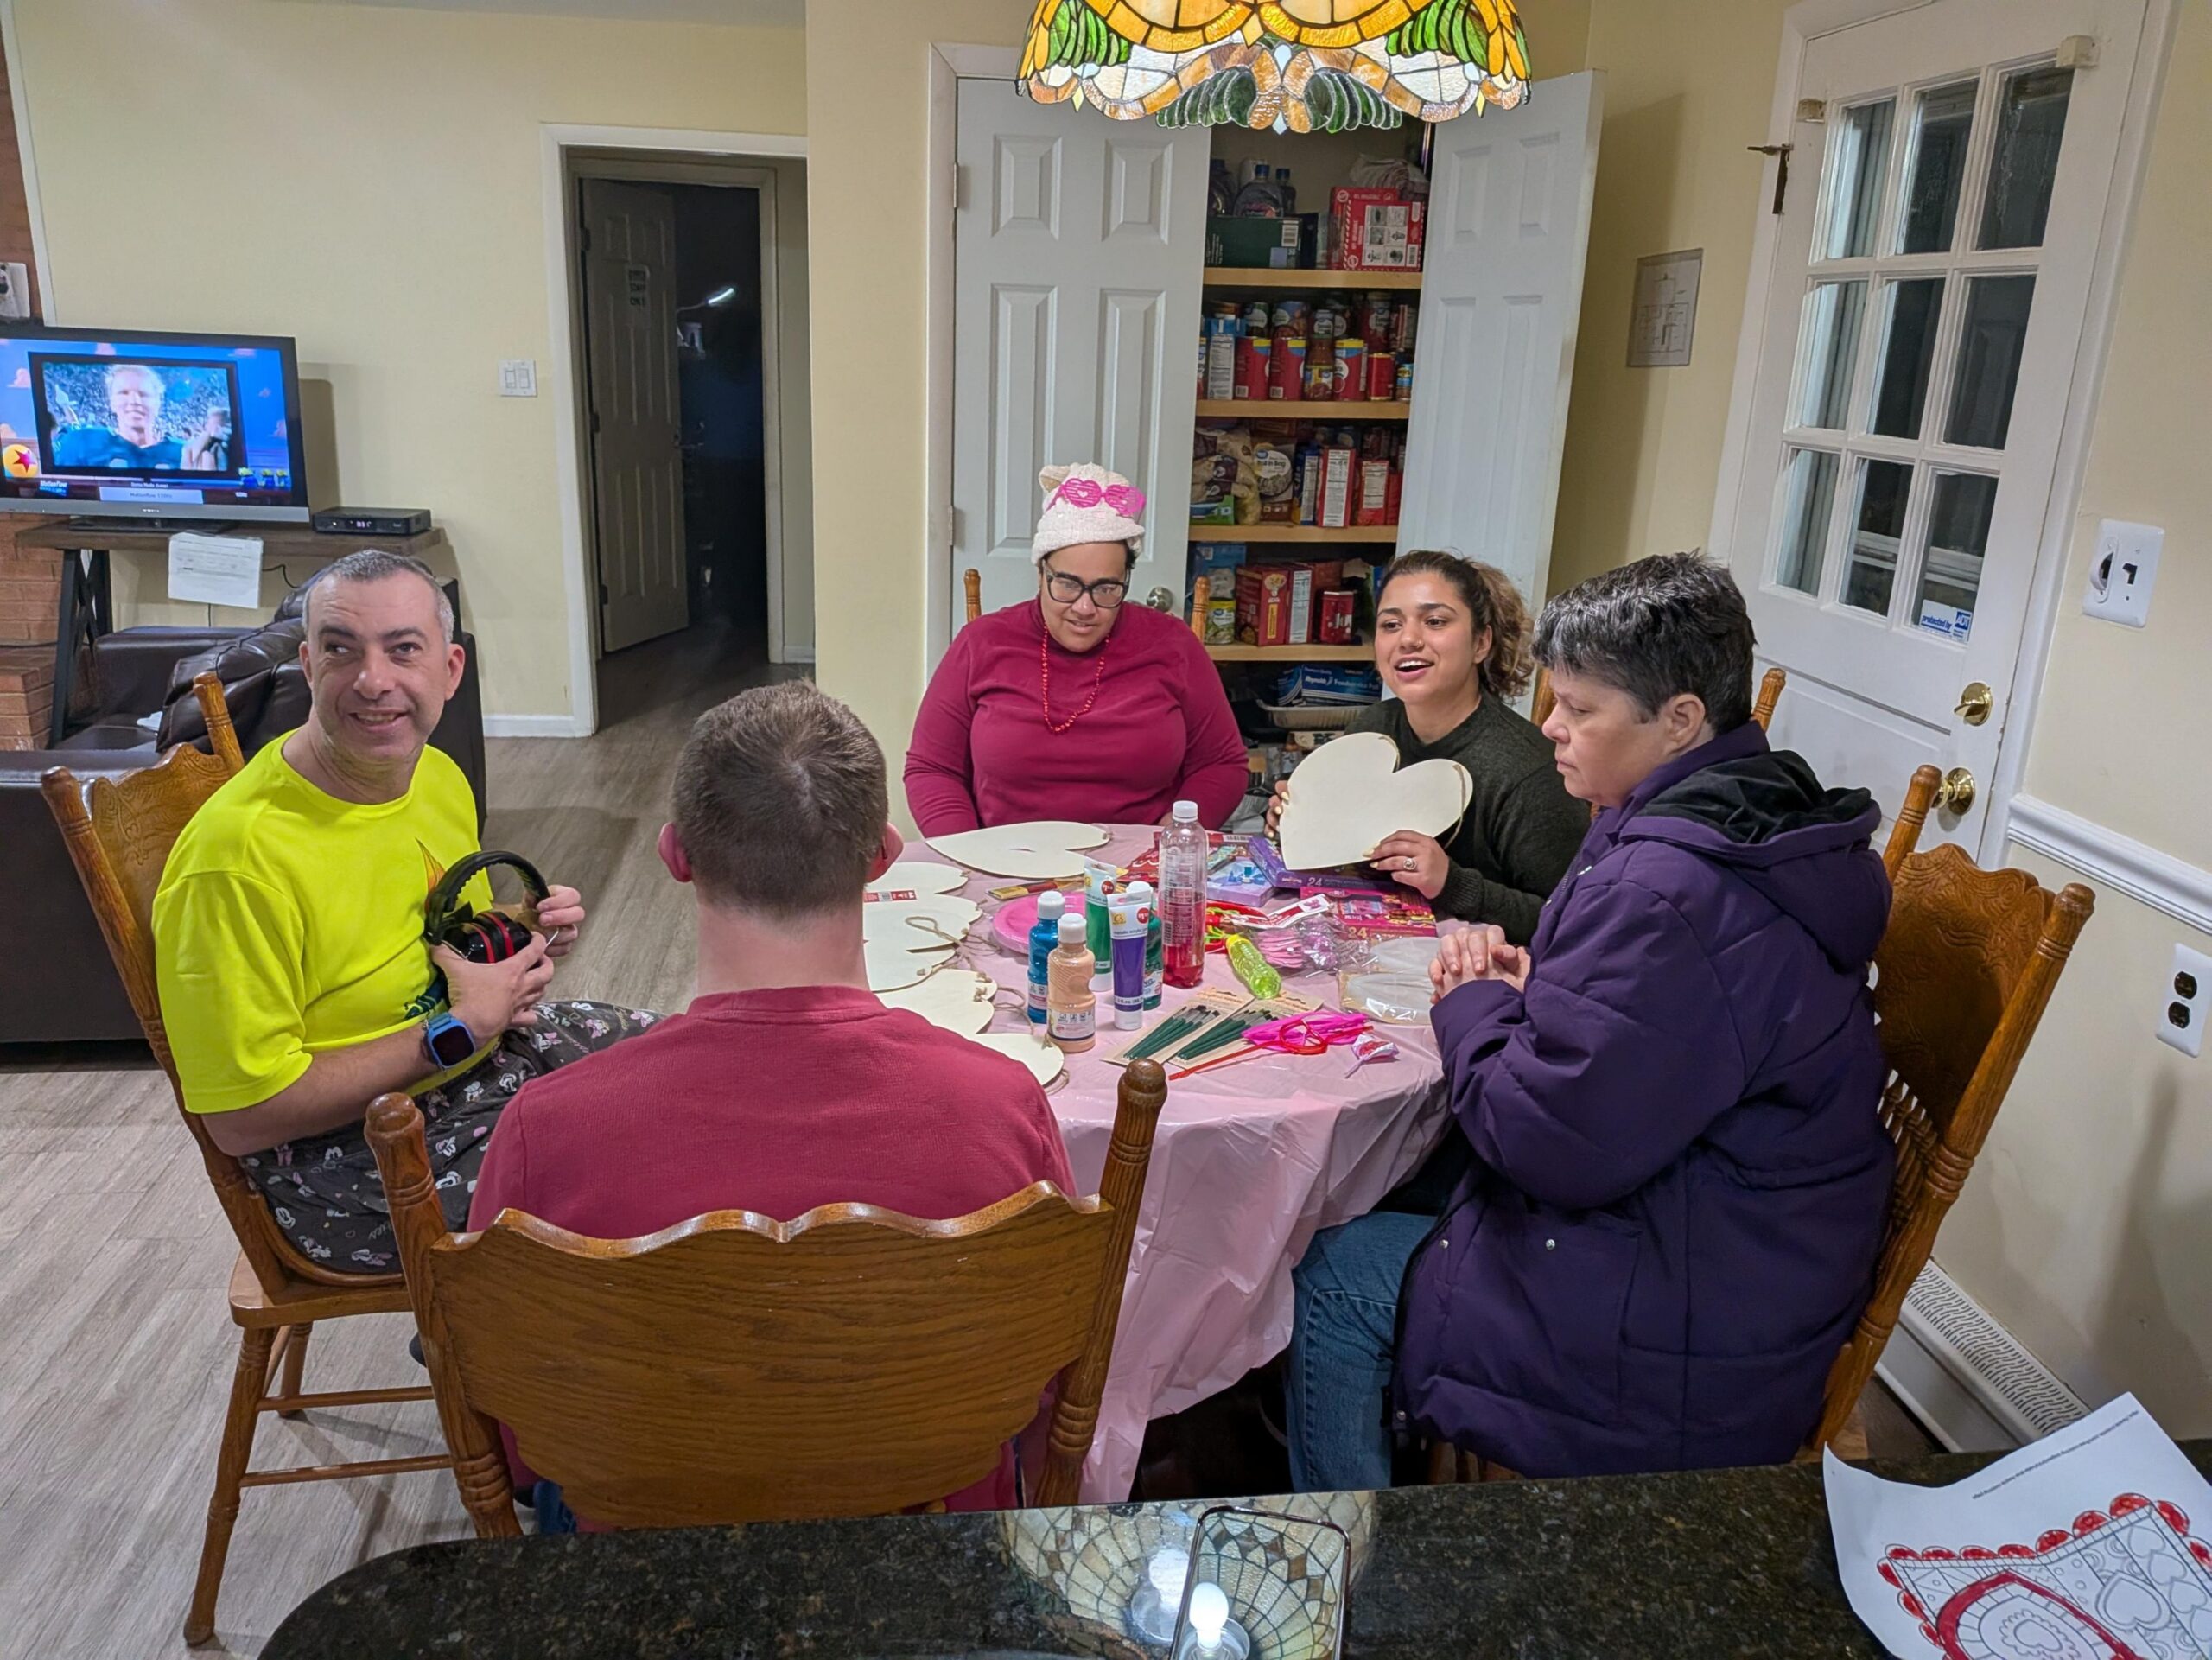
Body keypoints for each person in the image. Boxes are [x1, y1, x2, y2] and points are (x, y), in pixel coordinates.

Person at [1286, 552, 1895, 1487]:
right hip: (1744, 1231)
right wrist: (1546, 979)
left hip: (1683, 1311)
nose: (1551, 728)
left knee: (1331, 1270)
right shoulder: (1721, 814)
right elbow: (1652, 1026)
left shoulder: (1671, 891)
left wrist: (1473, 1000)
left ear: (1679, 719)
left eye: (1578, 708)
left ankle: (1362, 1559)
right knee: (1386, 1182)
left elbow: (1543, 1141)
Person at [468, 680, 1076, 1522]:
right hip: (934, 1545)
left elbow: (513, 1431)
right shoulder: (1003, 1107)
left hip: (634, 1556)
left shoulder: (547, 1129)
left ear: (675, 854)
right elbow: (1045, 1383)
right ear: (883, 855)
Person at [153, 550, 653, 1273]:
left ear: (450, 670)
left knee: (695, 1069)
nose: (373, 679)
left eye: (403, 649)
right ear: (308, 665)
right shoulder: (234, 863)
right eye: (341, 649)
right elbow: (239, 1119)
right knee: (639, 1168)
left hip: (474, 1063)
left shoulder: (434, 773)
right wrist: (451, 1033)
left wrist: (517, 932)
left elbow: (432, 940)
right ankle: (497, 1332)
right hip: (343, 1160)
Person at [905, 461, 1248, 833]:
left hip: (1139, 861)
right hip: (1004, 859)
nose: (1085, 608)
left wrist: (1176, 832)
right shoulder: (981, 643)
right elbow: (932, 768)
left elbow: (1222, 763)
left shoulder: (1172, 644)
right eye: (1067, 585)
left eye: (1106, 588)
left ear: (1126, 579)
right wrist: (966, 850)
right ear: (1041, 573)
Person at [1267, 551, 1586, 942]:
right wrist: (1299, 820)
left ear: (1481, 642)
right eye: (1391, 625)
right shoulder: (1373, 729)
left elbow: (1569, 923)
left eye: (1435, 621)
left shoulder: (1531, 772)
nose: (1408, 640)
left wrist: (1450, 882)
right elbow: (1342, 855)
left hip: (1487, 969)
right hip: (1372, 949)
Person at [50, 362, 230, 471]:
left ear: (158, 402)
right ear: (111, 401)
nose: (134, 401)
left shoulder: (186, 453)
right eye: (124, 393)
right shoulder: (81, 443)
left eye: (143, 394)